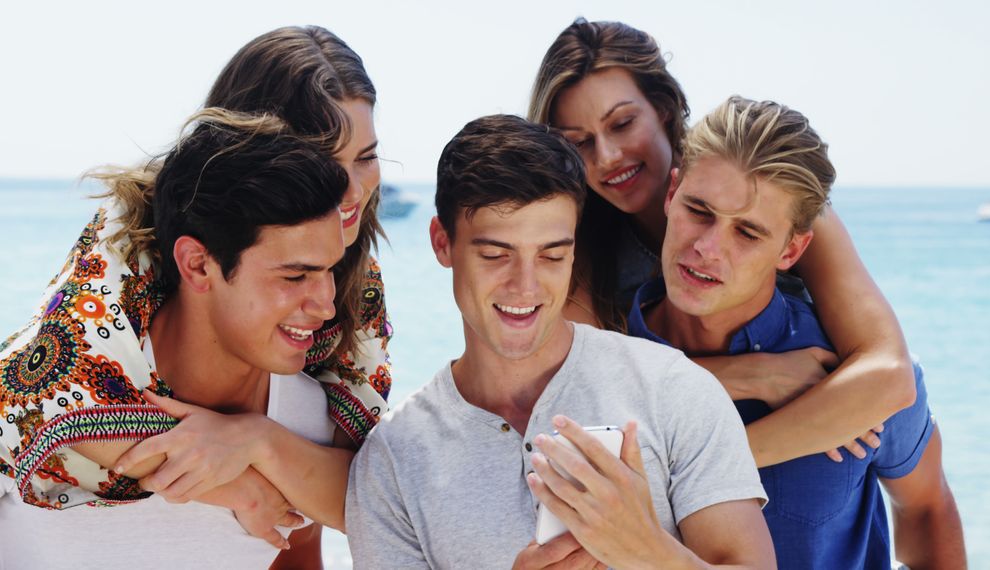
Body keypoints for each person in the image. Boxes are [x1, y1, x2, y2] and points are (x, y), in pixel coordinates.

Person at [0, 25, 390, 562]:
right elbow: (30, 392)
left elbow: (362, 481)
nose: (349, 192)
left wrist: (254, 440)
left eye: (366, 157)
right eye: (324, 161)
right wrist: (234, 489)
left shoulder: (355, 271)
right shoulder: (133, 228)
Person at [346, 114, 775, 569]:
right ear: (442, 243)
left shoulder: (674, 390)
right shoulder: (392, 460)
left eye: (552, 255)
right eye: (495, 254)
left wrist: (649, 552)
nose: (525, 287)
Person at [528, 18, 918, 469]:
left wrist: (723, 468)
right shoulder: (578, 246)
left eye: (623, 123)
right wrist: (757, 375)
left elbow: (890, 372)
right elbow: (585, 388)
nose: (607, 157)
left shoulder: (776, 198)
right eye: (579, 143)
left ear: (664, 108)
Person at [627, 96, 966, 569]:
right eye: (699, 210)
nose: (707, 248)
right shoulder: (605, 355)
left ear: (793, 249)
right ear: (672, 194)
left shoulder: (852, 379)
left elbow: (927, 508)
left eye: (747, 233)